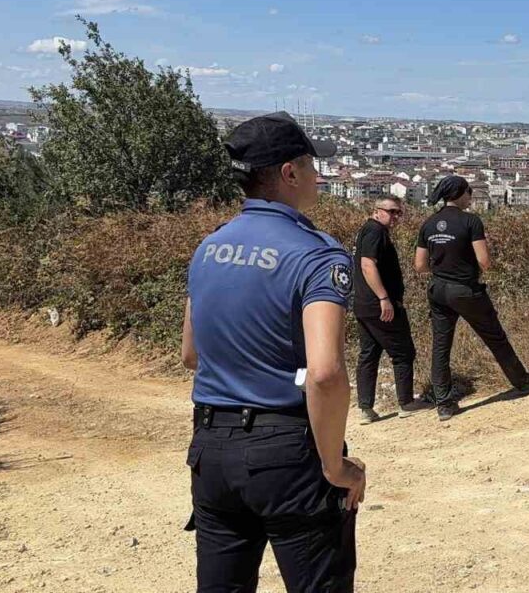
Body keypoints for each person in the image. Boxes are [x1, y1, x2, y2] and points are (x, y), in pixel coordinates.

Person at [182, 112, 365, 591]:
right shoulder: (316, 254)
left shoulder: (209, 248)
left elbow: (191, 354)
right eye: (311, 165)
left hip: (211, 450)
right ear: (289, 173)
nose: (317, 176)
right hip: (287, 454)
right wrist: (334, 465)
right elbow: (325, 374)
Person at [415, 175, 529, 421]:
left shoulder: (429, 224)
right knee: (495, 338)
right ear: (459, 194)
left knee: (441, 346)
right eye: (469, 192)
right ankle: (523, 382)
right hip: (465, 289)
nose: (471, 197)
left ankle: (444, 403)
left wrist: (442, 269)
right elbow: (484, 261)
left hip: (438, 289)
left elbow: (420, 265)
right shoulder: (470, 221)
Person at [352, 194, 432, 422]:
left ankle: (366, 408)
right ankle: (406, 403)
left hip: (364, 304)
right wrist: (384, 298)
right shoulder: (375, 231)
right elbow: (367, 265)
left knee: (369, 354)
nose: (396, 216)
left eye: (399, 212)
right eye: (391, 211)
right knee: (403, 352)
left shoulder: (368, 230)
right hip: (379, 305)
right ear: (377, 211)